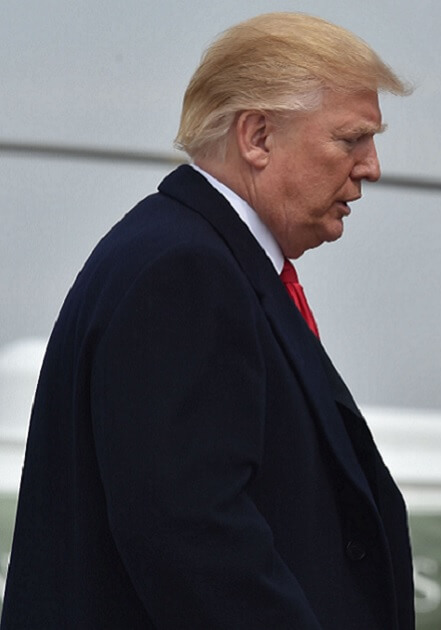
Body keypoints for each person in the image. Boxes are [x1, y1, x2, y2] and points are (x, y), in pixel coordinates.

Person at [1, 13, 415, 629]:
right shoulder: (185, 272)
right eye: (351, 139)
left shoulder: (187, 255)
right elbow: (195, 541)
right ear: (257, 136)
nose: (372, 166)